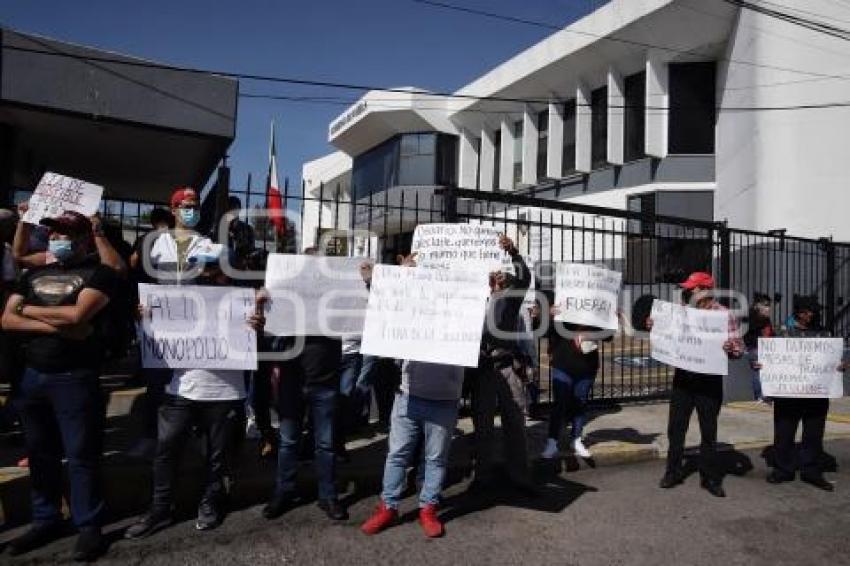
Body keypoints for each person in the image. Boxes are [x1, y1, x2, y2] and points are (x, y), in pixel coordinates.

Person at [125, 187, 264, 538]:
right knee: (166, 449)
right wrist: (147, 315)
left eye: (217, 269)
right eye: (202, 270)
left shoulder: (238, 302)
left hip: (222, 387)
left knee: (216, 456)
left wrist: (255, 321)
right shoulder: (172, 287)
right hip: (178, 384)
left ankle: (210, 502)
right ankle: (159, 509)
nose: (210, 275)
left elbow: (253, 335)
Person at [2, 211, 118, 561]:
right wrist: (55, 326)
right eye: (52, 233)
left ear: (83, 239)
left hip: (74, 377)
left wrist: (30, 311)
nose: (56, 238)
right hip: (31, 377)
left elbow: (78, 316)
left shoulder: (98, 274)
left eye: (65, 233)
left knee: (81, 454)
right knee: (40, 454)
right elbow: (7, 319)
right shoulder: (34, 273)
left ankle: (89, 527)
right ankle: (45, 520)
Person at [360, 252, 465, 538]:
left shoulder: (465, 302)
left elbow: (484, 328)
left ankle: (428, 508)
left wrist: (489, 293)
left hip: (445, 398)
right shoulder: (410, 303)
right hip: (408, 394)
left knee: (435, 459)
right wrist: (399, 277)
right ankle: (388, 507)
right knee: (397, 454)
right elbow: (385, 308)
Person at [262, 248, 348, 522]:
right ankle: (284, 491)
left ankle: (328, 495)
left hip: (325, 382)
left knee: (325, 444)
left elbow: (362, 309)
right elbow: (264, 328)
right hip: (291, 381)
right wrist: (262, 301)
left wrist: (364, 281)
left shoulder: (336, 298)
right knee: (288, 442)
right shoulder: (284, 295)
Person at [647, 272, 744, 498]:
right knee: (676, 428)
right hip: (684, 378)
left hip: (709, 382)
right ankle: (673, 471)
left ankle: (710, 477)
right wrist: (655, 325)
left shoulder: (723, 315)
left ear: (705, 290)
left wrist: (732, 348)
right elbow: (666, 335)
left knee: (708, 431)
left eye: (694, 288)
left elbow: (739, 348)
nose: (689, 291)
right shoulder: (681, 312)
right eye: (689, 288)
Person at [759, 296, 847, 490]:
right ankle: (783, 469)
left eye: (814, 311)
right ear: (798, 312)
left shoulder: (824, 333)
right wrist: (761, 365)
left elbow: (832, 360)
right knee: (784, 432)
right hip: (789, 393)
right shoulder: (782, 333)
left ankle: (811, 470)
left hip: (816, 393)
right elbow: (770, 358)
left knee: (814, 434)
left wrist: (839, 366)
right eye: (808, 311)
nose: (812, 314)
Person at [470, 234, 535, 494]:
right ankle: (482, 477)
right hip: (483, 371)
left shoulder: (509, 301)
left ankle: (520, 477)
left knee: (515, 425)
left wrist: (514, 253)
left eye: (500, 275)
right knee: (483, 427)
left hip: (507, 367)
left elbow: (525, 279)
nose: (496, 277)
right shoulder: (470, 302)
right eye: (492, 275)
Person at [541, 315, 613, 460]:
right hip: (563, 363)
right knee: (559, 402)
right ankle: (552, 441)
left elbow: (608, 336)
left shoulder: (594, 311)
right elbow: (544, 331)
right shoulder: (562, 308)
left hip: (587, 365)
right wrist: (550, 315)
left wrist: (610, 318)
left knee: (580, 403)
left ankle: (576, 439)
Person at [743, 293, 774, 403]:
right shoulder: (751, 317)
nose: (768, 308)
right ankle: (760, 395)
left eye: (769, 305)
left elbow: (771, 333)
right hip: (754, 348)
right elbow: (747, 334)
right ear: (757, 305)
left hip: (766, 349)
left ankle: (767, 394)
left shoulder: (765, 319)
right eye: (765, 305)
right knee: (757, 371)